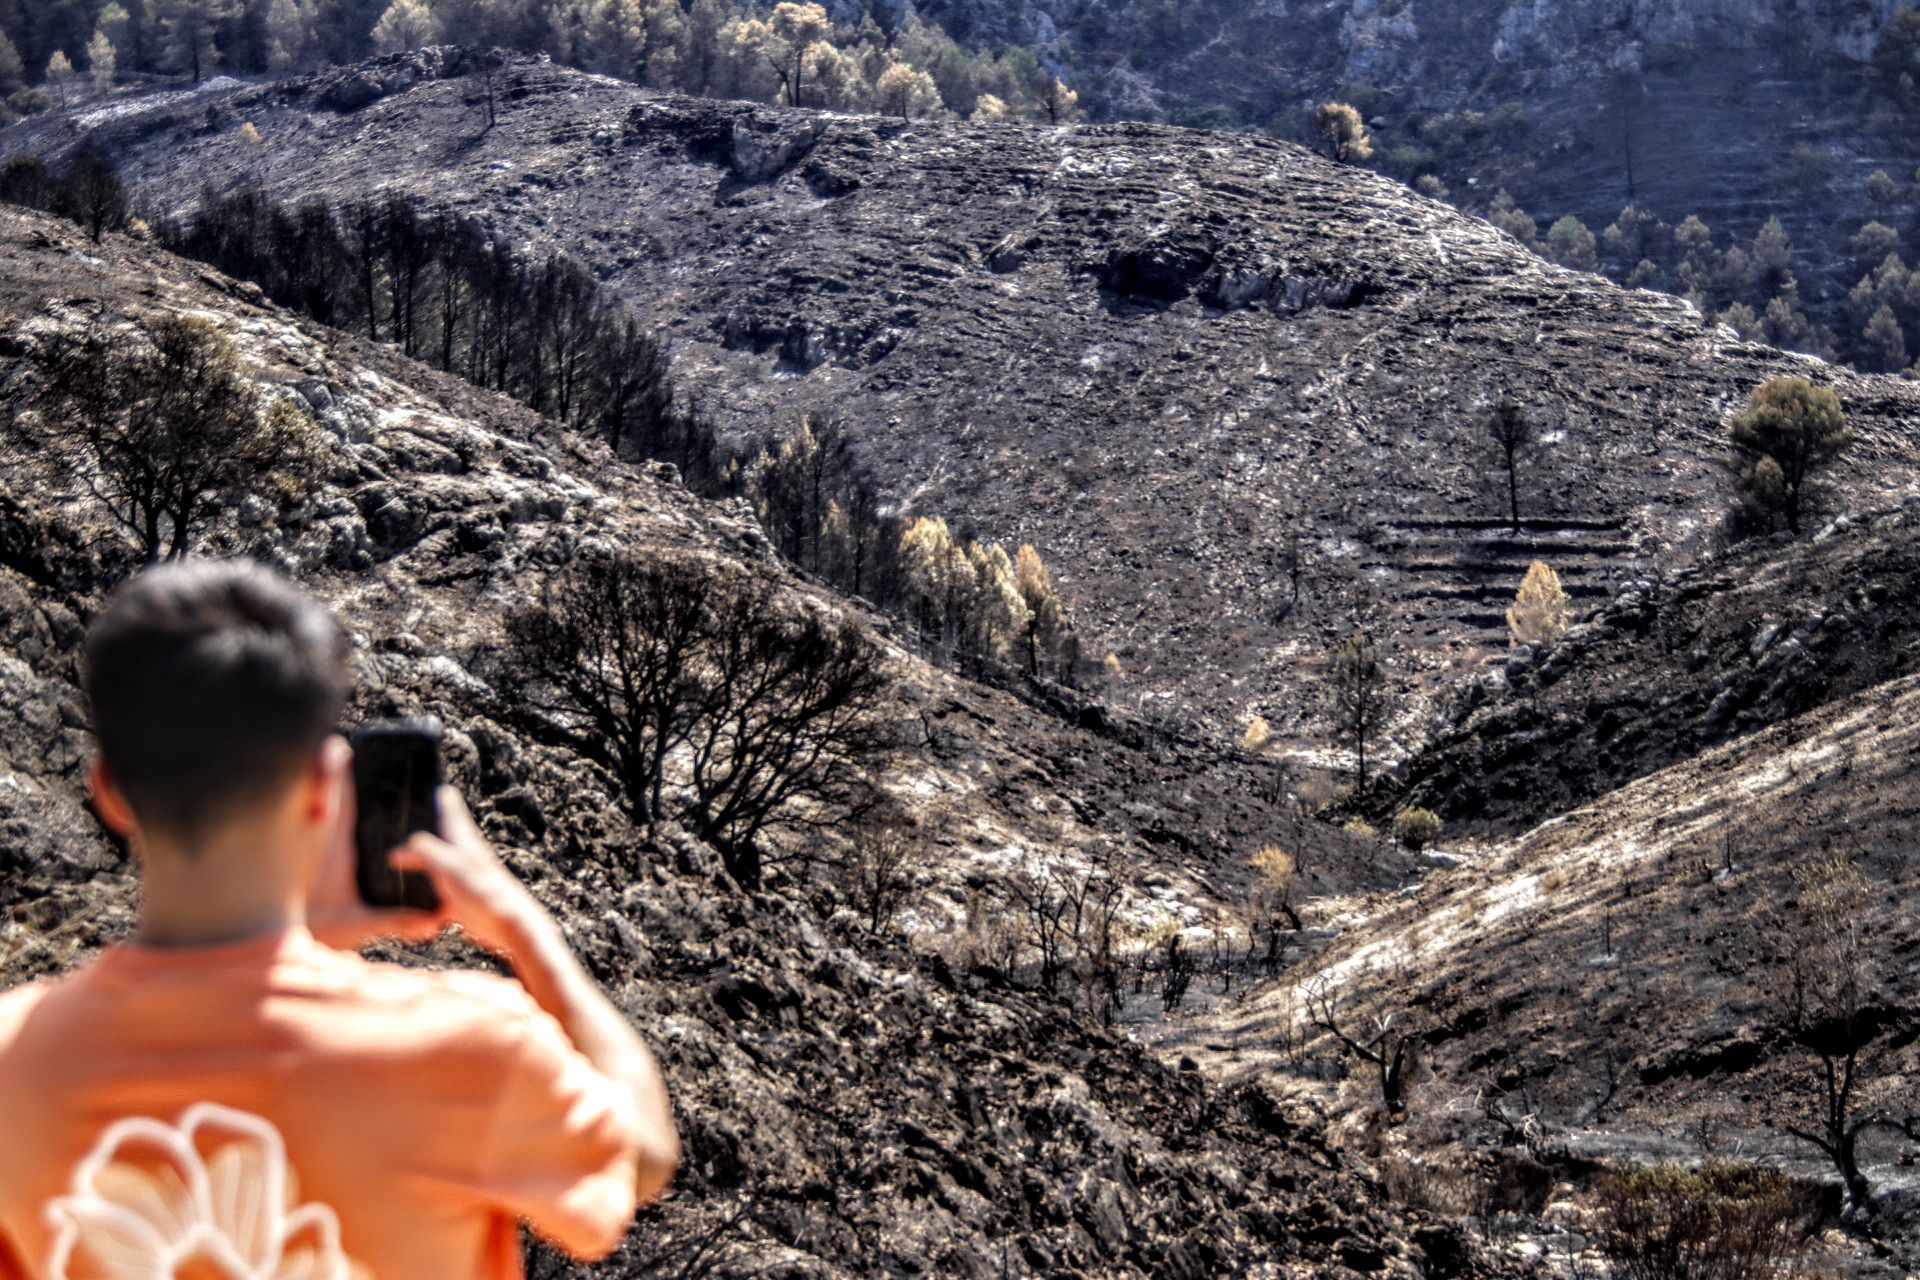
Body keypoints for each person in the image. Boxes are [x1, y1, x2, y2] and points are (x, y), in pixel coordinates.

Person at [0, 559, 679, 1279]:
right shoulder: (465, 1046)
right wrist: (519, 924)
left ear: (108, 793)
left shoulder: (16, 1060)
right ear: (326, 784)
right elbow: (640, 1153)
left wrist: (305, 946)